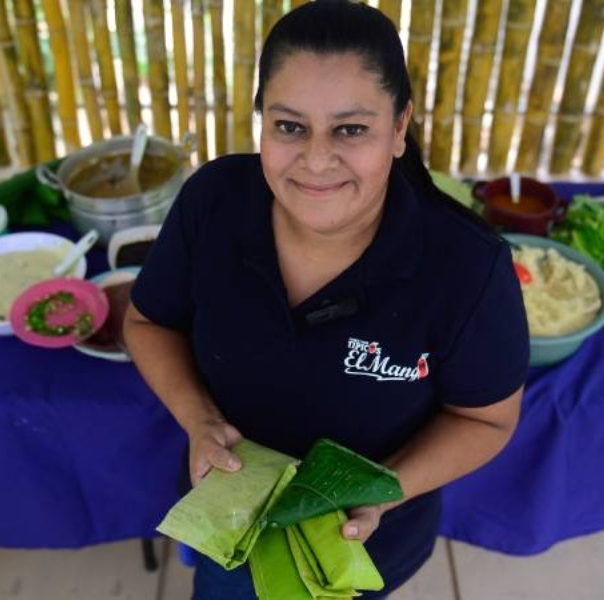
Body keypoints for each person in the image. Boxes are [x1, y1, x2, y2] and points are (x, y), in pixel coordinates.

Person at [123, 1, 529, 598]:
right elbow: (147, 322)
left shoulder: (468, 268)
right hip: (227, 519)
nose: (316, 160)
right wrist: (199, 421)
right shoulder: (213, 203)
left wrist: (386, 488)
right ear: (261, 121)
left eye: (351, 129)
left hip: (366, 546)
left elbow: (487, 418)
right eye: (289, 126)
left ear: (398, 128)